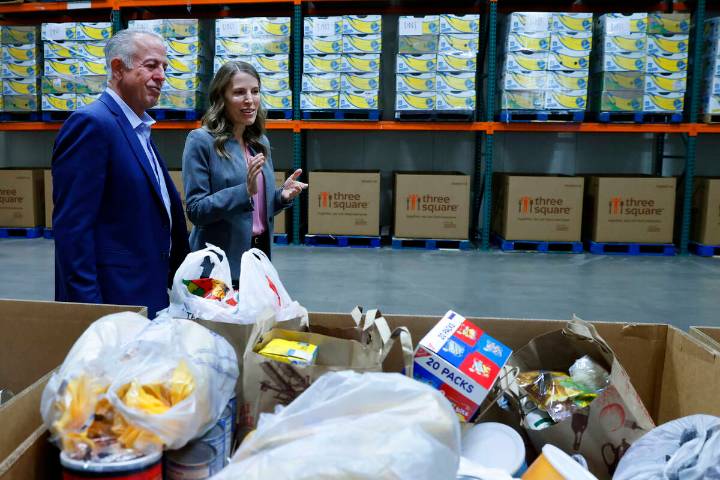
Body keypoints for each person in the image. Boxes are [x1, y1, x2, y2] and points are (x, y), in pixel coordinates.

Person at [52, 29, 190, 318]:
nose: (162, 75)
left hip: (146, 294)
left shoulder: (137, 129)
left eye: (164, 67)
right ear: (118, 68)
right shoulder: (92, 125)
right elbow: (73, 232)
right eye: (151, 65)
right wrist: (90, 313)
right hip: (114, 304)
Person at [182, 61, 307, 284]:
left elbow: (254, 212)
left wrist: (280, 197)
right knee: (215, 319)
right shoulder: (201, 141)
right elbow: (196, 210)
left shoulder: (259, 142)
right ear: (222, 98)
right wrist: (244, 191)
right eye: (239, 92)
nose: (250, 100)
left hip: (257, 261)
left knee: (254, 318)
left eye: (255, 91)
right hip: (215, 270)